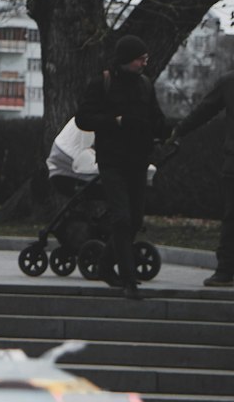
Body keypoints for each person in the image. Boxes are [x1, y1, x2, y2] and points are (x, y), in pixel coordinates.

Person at [75, 34, 169, 299]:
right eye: (140, 59)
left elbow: (155, 116)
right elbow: (83, 118)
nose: (144, 63)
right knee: (121, 217)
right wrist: (113, 121)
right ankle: (129, 278)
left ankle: (105, 264)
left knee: (136, 218)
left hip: (138, 160)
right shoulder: (102, 84)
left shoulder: (145, 85)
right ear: (127, 60)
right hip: (112, 160)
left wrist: (166, 132)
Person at [173, 73, 234, 286]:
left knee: (231, 218)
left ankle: (225, 270)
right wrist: (178, 130)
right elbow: (204, 111)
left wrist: (179, 130)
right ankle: (225, 269)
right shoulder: (229, 82)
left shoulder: (229, 82)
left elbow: (205, 110)